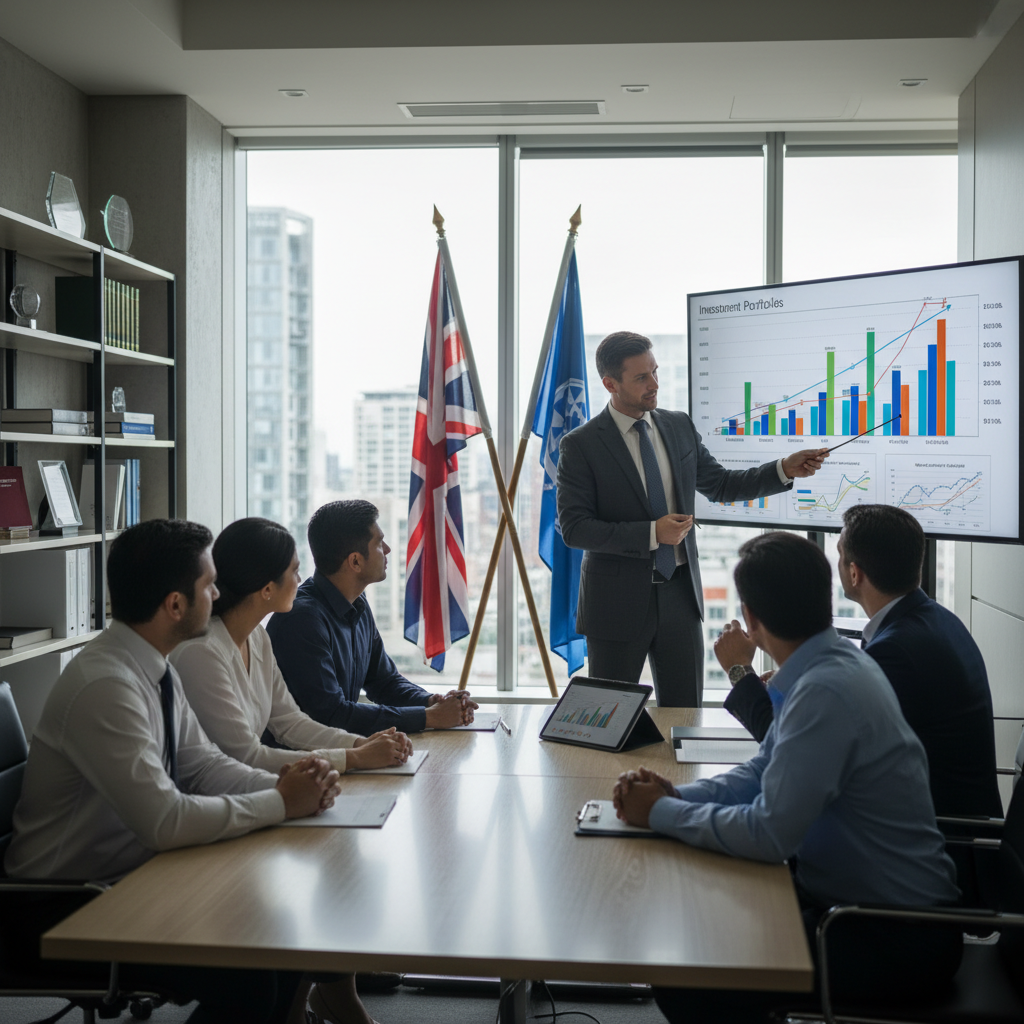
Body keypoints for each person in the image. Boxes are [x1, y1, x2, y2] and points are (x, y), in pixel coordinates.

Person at [613, 531, 961, 1023]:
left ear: (751, 621)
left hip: (892, 935)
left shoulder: (825, 691)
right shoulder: (833, 665)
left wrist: (663, 812)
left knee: (688, 976)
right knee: (700, 926)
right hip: (864, 910)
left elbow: (769, 833)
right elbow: (764, 769)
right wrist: (676, 793)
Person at [5, 519, 342, 1024]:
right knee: (247, 975)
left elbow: (204, 766)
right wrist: (279, 802)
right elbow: (164, 821)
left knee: (280, 935)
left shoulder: (154, 667)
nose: (219, 592)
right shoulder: (106, 686)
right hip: (62, 907)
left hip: (131, 879)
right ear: (176, 605)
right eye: (209, 585)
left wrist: (294, 786)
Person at [171, 519, 391, 1024]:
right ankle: (316, 1003)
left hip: (242, 800)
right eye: (294, 570)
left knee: (336, 859)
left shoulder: (257, 638)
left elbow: (290, 722)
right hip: (214, 813)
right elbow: (243, 755)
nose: (302, 578)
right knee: (307, 888)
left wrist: (361, 744)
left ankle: (322, 1000)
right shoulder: (204, 653)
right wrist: (352, 760)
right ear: (267, 588)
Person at [556, 331, 828, 707]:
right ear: (610, 384)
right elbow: (575, 528)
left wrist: (783, 469)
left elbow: (720, 484)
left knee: (685, 715)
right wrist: (653, 534)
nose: (654, 384)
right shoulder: (580, 445)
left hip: (680, 596)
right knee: (608, 715)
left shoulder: (678, 425)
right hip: (615, 604)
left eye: (654, 372)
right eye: (641, 378)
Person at [723, 503, 1002, 819]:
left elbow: (796, 753)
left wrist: (740, 671)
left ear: (854, 573)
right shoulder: (934, 621)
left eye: (840, 555)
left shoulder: (895, 652)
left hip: (942, 841)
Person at [267, 500, 478, 734]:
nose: (387, 549)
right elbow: (332, 715)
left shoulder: (358, 603)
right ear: (355, 561)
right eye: (379, 542)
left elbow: (384, 682)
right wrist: (429, 718)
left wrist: (431, 702)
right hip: (299, 763)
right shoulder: (302, 620)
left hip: (337, 755)